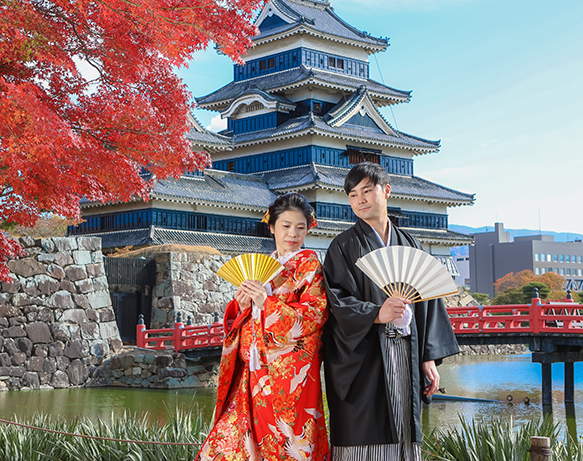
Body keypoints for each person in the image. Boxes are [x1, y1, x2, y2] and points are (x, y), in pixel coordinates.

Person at [322, 162, 459, 461]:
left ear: (386, 190)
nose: (360, 200)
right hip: (365, 356)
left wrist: (429, 357)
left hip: (407, 351)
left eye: (367, 191)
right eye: (353, 194)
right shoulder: (342, 247)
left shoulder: (411, 244)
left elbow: (429, 302)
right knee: (365, 431)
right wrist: (374, 313)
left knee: (404, 429)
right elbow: (334, 300)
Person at [196, 193, 329, 461]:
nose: (293, 234)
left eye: (300, 227)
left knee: (288, 443)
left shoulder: (309, 264)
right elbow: (241, 320)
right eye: (286, 226)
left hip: (289, 375)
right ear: (271, 226)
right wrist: (242, 305)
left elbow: (315, 314)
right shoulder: (264, 265)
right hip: (252, 371)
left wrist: (265, 302)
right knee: (230, 440)